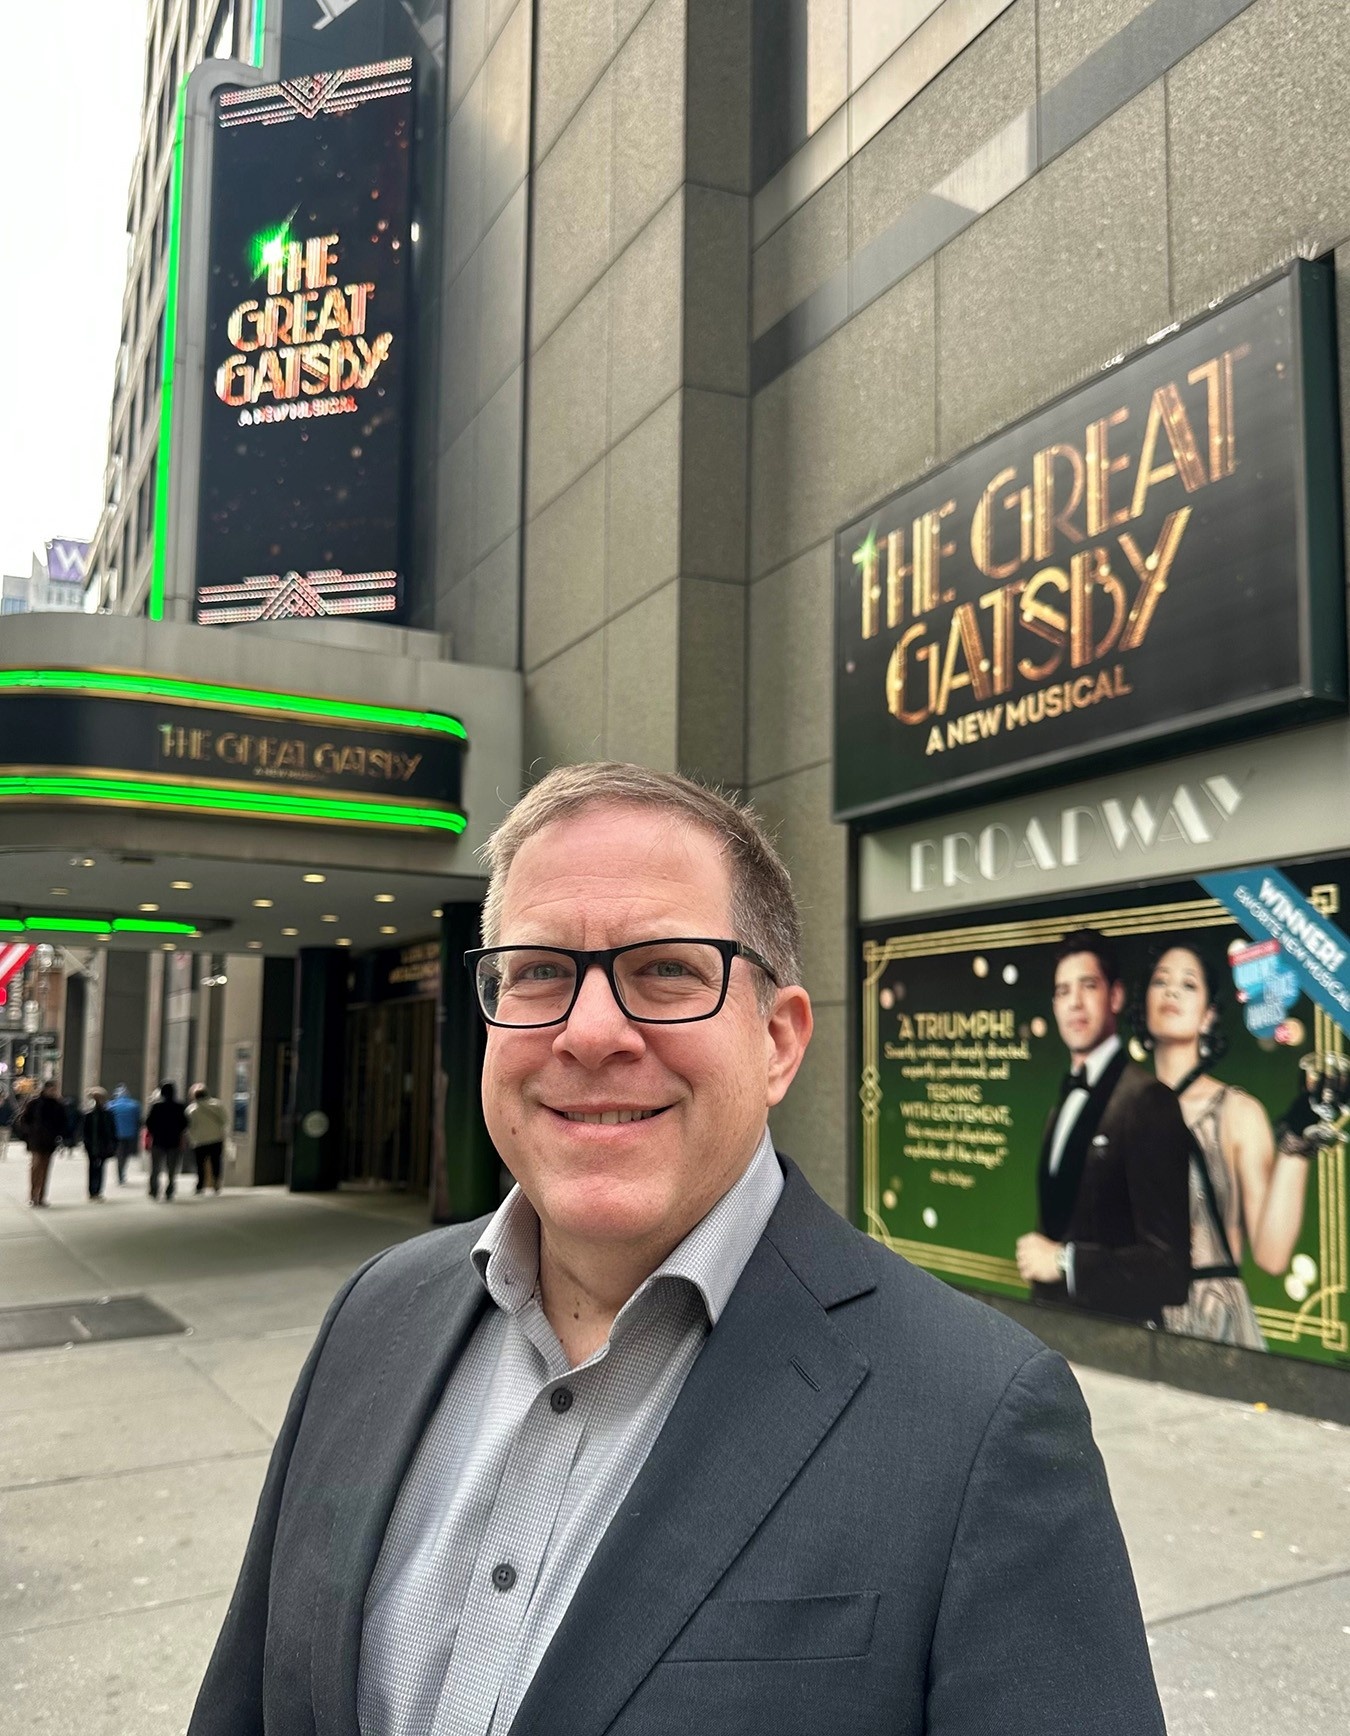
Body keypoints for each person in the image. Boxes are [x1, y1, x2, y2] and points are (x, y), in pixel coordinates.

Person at [189, 764, 1164, 1736]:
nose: (591, 1031)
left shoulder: (980, 1420)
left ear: (778, 1041)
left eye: (666, 969)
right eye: (537, 970)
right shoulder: (374, 1312)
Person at [1140, 943, 1314, 1350]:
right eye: (1160, 982)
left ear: (1209, 1014)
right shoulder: (1118, 1109)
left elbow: (1271, 1255)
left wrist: (1297, 1142)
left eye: (1188, 984)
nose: (1171, 992)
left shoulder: (1236, 1111)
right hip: (1135, 1324)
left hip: (1214, 1323)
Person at [1016, 927, 1191, 1325]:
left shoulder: (1149, 1100)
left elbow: (1171, 1269)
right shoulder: (1061, 1104)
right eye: (1062, 991)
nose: (1074, 1003)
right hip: (1057, 1334)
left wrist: (1065, 1262)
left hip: (1118, 1344)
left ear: (1115, 996)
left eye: (1088, 986)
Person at [16, 1080, 68, 1208]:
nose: (54, 1091)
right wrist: (28, 1133)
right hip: (36, 1139)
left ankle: (41, 1196)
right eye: (52, 1089)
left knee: (45, 1168)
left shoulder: (58, 1105)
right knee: (36, 1166)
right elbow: (24, 1119)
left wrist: (60, 1136)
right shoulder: (34, 1103)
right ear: (46, 1089)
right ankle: (33, 1195)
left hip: (50, 1140)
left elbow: (63, 1123)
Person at [144, 1081, 190, 1202]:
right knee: (172, 1169)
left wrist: (155, 1132)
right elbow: (185, 1123)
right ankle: (170, 1190)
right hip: (174, 1141)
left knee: (155, 1168)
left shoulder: (156, 1106)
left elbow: (149, 1123)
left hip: (158, 1141)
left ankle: (154, 1190)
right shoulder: (180, 1106)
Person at [186, 1083, 229, 1193]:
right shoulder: (217, 1105)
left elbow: (190, 1126)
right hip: (216, 1138)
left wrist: (191, 1138)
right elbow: (225, 1120)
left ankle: (200, 1185)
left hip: (199, 1141)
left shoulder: (191, 1109)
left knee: (200, 1164)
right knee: (216, 1161)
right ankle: (216, 1183)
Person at [82, 1087, 118, 1201]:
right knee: (93, 1167)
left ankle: (97, 1190)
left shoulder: (108, 1114)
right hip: (92, 1145)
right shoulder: (89, 1114)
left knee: (100, 1167)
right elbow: (84, 1131)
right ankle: (92, 1191)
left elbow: (112, 1130)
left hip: (103, 1145)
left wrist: (113, 1143)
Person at [107, 1083, 141, 1185]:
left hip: (116, 1134)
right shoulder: (135, 1105)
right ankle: (122, 1172)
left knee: (119, 1154)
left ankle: (120, 1174)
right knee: (126, 1154)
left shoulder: (111, 1106)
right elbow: (138, 1120)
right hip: (130, 1134)